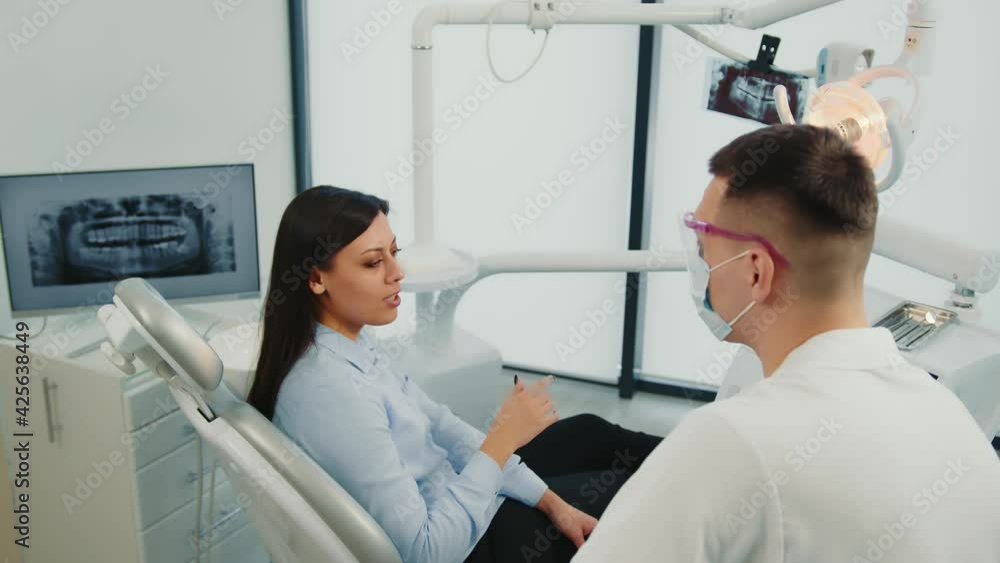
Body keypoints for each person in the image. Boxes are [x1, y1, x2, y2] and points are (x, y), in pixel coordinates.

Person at [574, 124, 1000, 562]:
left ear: (756, 272)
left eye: (704, 246)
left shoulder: (728, 444)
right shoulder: (960, 431)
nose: (700, 264)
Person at [246, 186, 662, 563]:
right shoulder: (332, 391)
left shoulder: (352, 344)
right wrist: (501, 441)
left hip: (457, 493)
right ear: (316, 279)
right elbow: (426, 551)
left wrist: (551, 501)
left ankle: (702, 455)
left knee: (590, 433)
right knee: (632, 489)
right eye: (374, 262)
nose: (397, 272)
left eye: (394, 252)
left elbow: (441, 425)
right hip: (467, 545)